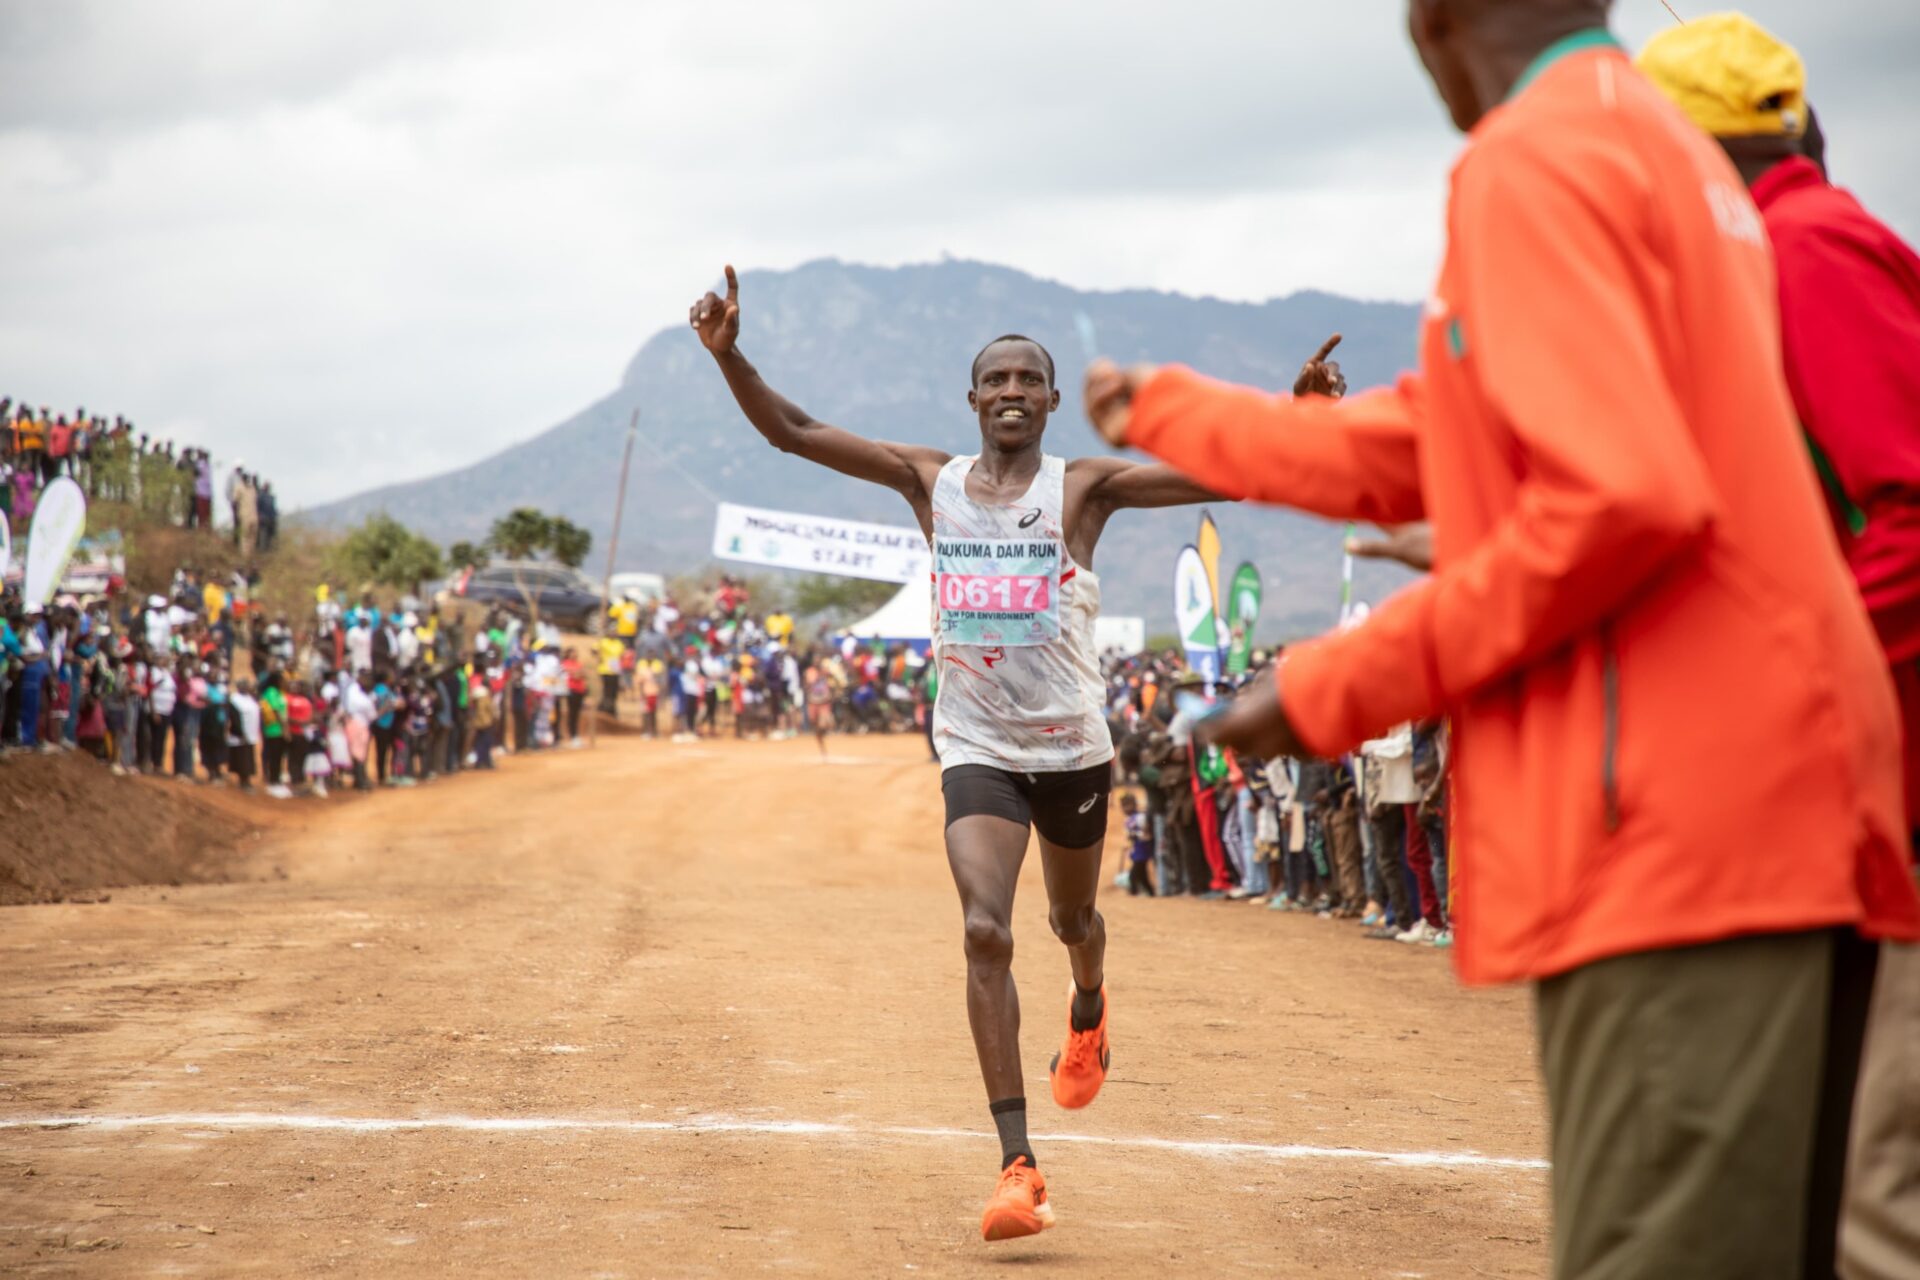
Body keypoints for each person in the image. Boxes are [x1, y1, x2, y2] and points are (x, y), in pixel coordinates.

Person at [1081, 3, 1920, 1276]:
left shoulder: (1538, 160)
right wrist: (1189, 417)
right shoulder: (1657, 147)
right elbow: (1451, 427)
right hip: (1761, 810)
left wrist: (1328, 687)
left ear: (1434, 23)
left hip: (1676, 831)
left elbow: (1618, 496)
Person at [689, 264, 1337, 1241]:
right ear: (972, 397)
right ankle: (1016, 1164)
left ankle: (1089, 1002)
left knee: (1071, 916)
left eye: (1027, 380)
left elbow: (1233, 475)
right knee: (985, 929)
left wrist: (1293, 417)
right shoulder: (929, 479)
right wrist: (731, 354)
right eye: (994, 380)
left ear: (1047, 398)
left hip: (1073, 747)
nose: (1010, 393)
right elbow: (796, 430)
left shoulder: (1084, 489)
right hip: (978, 746)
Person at [1633, 26, 1920, 1277]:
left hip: (1884, 791)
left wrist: (1773, 682)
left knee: (1872, 1196)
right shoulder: (1755, 270)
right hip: (1838, 806)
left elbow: (1911, 507)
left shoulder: (1807, 254)